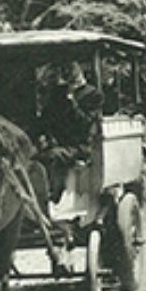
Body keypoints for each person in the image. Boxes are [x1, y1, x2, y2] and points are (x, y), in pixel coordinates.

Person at [35, 61, 104, 200]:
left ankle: (53, 197)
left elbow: (84, 124)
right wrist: (44, 136)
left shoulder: (94, 95)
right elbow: (47, 119)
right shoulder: (57, 93)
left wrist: (71, 101)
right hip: (56, 142)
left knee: (53, 156)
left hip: (80, 145)